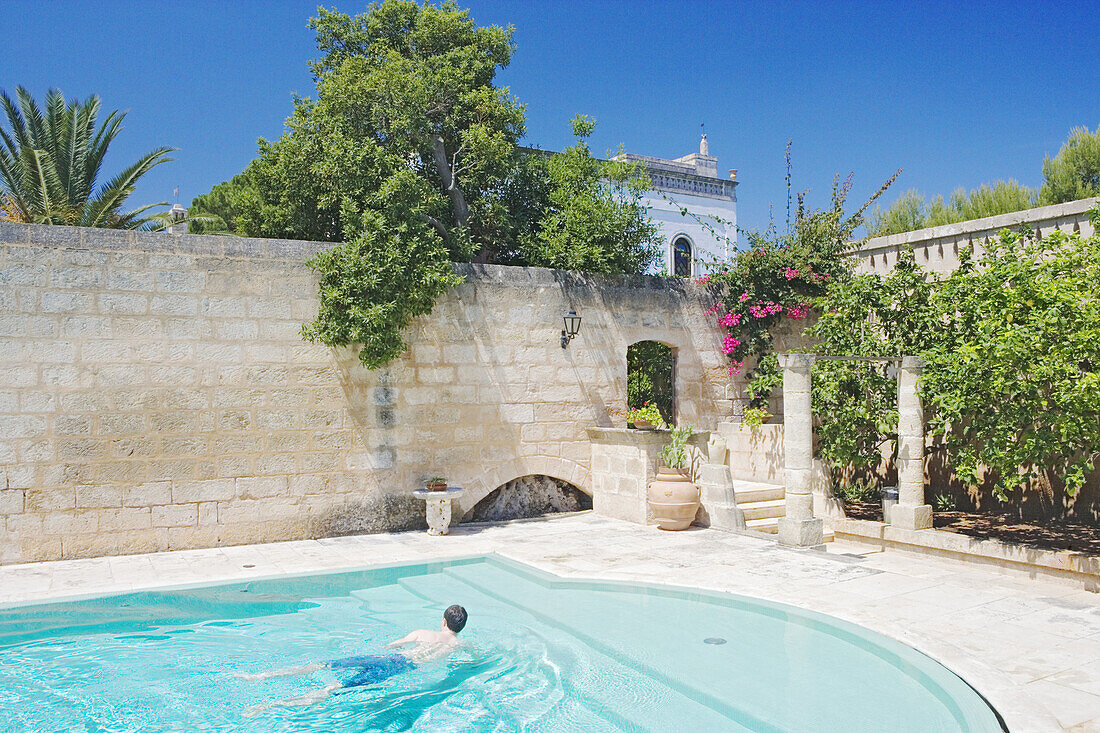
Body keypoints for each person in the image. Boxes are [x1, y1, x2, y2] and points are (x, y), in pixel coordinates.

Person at [238, 604, 468, 714]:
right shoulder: (457, 645)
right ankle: (268, 706)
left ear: (443, 621)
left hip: (387, 657)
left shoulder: (422, 633)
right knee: (336, 688)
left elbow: (394, 644)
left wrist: (387, 646)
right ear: (460, 627)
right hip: (399, 668)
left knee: (323, 664)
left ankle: (259, 676)